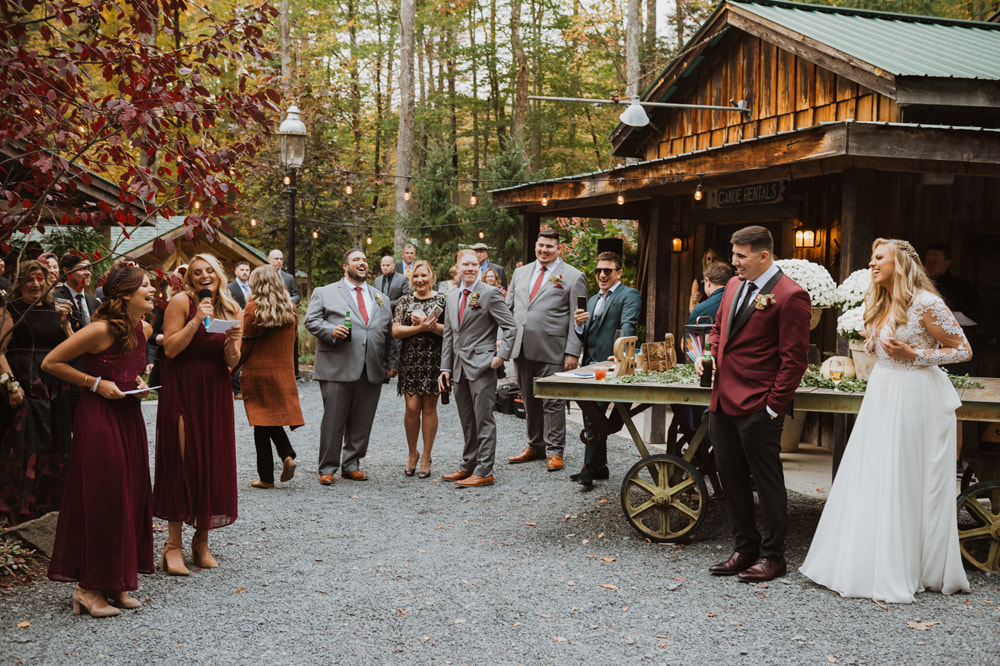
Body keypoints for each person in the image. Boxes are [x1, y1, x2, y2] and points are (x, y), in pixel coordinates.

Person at [800, 239, 972, 603]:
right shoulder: (878, 300)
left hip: (914, 396)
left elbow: (963, 350)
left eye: (880, 258)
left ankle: (909, 565)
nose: (872, 263)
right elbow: (881, 352)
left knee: (903, 474)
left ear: (900, 264)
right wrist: (875, 342)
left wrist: (916, 354)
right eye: (872, 257)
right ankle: (863, 561)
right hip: (882, 391)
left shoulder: (926, 302)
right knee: (873, 471)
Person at [697, 225, 811, 583]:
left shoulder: (791, 295)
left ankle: (774, 557)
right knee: (731, 478)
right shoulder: (732, 285)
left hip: (760, 407)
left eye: (740, 256)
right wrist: (711, 355)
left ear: (764, 256)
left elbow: (795, 360)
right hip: (722, 400)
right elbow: (717, 329)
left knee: (767, 482)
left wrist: (774, 407)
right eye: (733, 255)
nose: (733, 263)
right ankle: (743, 549)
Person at [44, 263, 155, 617]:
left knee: (130, 495)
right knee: (104, 497)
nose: (153, 290)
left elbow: (126, 370)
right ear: (124, 295)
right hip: (98, 417)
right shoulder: (99, 329)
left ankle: (117, 581)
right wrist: (94, 383)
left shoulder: (145, 329)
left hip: (128, 417)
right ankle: (88, 588)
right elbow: (51, 362)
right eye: (146, 286)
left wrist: (136, 382)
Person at [153, 253, 242, 575]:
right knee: (182, 460)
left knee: (211, 462)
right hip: (182, 388)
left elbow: (232, 362)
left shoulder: (232, 308)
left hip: (215, 392)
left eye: (209, 271)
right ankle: (172, 545)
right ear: (190, 279)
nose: (204, 276)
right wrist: (196, 320)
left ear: (219, 274)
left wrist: (232, 342)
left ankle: (201, 541)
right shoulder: (181, 301)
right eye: (197, 272)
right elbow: (171, 349)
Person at [305, 248, 396, 484]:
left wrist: (391, 362)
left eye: (365, 260)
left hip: (371, 366)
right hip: (337, 364)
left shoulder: (380, 298)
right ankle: (327, 467)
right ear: (345, 267)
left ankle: (352, 463)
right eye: (356, 260)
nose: (362, 262)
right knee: (334, 419)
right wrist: (330, 331)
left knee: (362, 419)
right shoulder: (325, 292)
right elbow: (311, 320)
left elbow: (388, 333)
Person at [506, 229, 588, 472]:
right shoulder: (520, 273)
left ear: (558, 248)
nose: (544, 250)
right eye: (541, 245)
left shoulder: (573, 276)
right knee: (529, 399)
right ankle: (535, 445)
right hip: (521, 345)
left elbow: (578, 318)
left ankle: (555, 450)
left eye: (549, 247)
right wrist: (504, 341)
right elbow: (508, 308)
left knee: (553, 401)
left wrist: (572, 351)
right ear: (535, 245)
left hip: (553, 347)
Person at [0, 261, 74, 525]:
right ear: (18, 283)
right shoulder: (11, 310)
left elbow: (73, 348)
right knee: (25, 446)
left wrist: (65, 324)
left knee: (57, 444)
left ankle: (51, 511)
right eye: (28, 280)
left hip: (55, 385)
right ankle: (19, 511)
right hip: (25, 383)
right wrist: (10, 385)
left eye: (40, 278)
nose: (35, 284)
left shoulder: (57, 310)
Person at [438, 250, 516, 487]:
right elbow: (450, 335)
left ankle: (484, 471)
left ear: (480, 268)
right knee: (467, 420)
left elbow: (511, 327)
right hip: (459, 368)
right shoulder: (452, 297)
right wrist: (445, 368)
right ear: (458, 268)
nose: (470, 268)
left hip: (483, 366)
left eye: (474, 264)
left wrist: (500, 357)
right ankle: (467, 465)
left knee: (484, 419)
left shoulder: (490, 293)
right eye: (465, 264)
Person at [571, 251, 641, 486]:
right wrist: (579, 325)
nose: (602, 274)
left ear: (618, 273)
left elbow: (628, 325)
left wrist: (622, 352)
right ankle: (600, 466)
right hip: (589, 363)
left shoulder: (629, 295)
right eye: (598, 271)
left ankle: (587, 468)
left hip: (611, 363)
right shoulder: (591, 300)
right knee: (590, 413)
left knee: (595, 414)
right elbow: (585, 335)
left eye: (607, 271)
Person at [238, 266, 304, 489]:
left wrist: (230, 369)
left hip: (257, 373)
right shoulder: (290, 308)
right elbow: (293, 340)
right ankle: (287, 456)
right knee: (268, 420)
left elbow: (244, 346)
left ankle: (266, 478)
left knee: (261, 422)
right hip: (282, 372)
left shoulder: (252, 308)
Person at [392, 260, 446, 478]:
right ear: (411, 279)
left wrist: (429, 325)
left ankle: (426, 456)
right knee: (412, 408)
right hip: (411, 359)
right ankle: (412, 453)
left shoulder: (442, 299)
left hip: (434, 359)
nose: (420, 280)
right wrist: (419, 327)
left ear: (431, 276)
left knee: (430, 408)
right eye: (416, 276)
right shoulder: (404, 300)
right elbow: (395, 330)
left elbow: (450, 331)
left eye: (424, 276)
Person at [923, 243, 980, 325]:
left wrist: (935, 316)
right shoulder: (916, 284)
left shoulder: (961, 287)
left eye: (935, 260)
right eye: (928, 260)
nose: (930, 264)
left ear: (947, 263)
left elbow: (972, 318)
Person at [268, 249, 301, 379]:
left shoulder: (289, 277)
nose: (279, 261)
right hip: (269, 316)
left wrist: (290, 300)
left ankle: (290, 373)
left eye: (281, 259)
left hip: (287, 315)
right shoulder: (263, 275)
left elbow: (297, 295)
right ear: (269, 260)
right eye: (276, 259)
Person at [54, 253, 98, 333]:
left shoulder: (95, 302)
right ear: (66, 270)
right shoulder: (55, 298)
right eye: (81, 269)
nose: (88, 273)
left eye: (89, 269)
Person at [228, 260, 252, 397]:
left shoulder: (253, 287)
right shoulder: (230, 288)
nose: (245, 272)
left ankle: (249, 386)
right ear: (236, 272)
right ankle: (237, 390)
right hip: (236, 322)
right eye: (242, 270)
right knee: (237, 353)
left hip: (250, 323)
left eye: (247, 270)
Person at [689, 247, 723, 313]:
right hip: (702, 319)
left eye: (715, 258)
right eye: (708, 259)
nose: (711, 262)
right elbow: (691, 310)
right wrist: (695, 301)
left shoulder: (725, 280)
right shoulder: (698, 282)